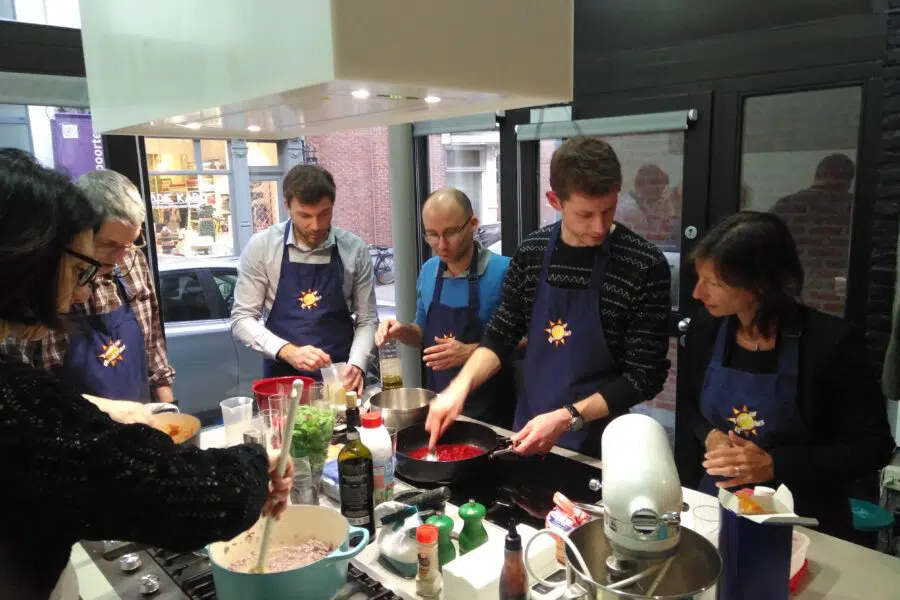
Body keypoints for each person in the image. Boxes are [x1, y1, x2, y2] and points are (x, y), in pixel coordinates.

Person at [0, 149, 292, 600]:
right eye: (77, 269)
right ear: (26, 261)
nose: (81, 292)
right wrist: (256, 464)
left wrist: (125, 408)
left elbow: (149, 338)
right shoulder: (21, 407)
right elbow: (191, 498)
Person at [426, 137, 672, 458]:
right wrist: (458, 388)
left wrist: (568, 417)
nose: (599, 227)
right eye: (585, 214)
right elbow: (502, 335)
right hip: (527, 433)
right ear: (555, 200)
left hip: (600, 445)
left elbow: (645, 376)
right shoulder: (532, 253)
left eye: (608, 210)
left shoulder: (643, 265)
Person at [674, 211, 894, 541]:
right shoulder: (708, 328)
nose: (697, 293)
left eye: (714, 283)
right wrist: (710, 436)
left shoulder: (829, 343)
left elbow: (873, 446)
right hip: (718, 507)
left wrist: (775, 464)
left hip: (806, 519)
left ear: (759, 284)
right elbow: (690, 406)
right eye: (699, 279)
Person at [0, 169, 175, 403]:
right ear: (79, 232)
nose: (120, 258)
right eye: (110, 245)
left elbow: (154, 349)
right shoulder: (42, 281)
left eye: (130, 244)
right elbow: (22, 392)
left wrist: (169, 409)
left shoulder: (133, 262)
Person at [231, 164, 376, 394]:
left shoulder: (354, 249)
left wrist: (357, 364)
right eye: (305, 216)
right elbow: (242, 319)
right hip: (282, 383)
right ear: (287, 206)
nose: (316, 226)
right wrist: (288, 351)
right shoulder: (262, 247)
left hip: (341, 379)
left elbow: (367, 320)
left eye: (324, 214)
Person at [375, 188, 515, 427]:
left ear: (473, 224)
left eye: (450, 233)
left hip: (491, 414)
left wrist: (471, 352)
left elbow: (528, 339)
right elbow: (420, 333)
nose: (441, 244)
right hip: (438, 405)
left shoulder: (504, 271)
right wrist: (401, 331)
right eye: (432, 234)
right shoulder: (429, 270)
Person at [770, 153, 856, 315]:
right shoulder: (855, 208)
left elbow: (763, 248)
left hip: (790, 291)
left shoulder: (786, 206)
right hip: (838, 296)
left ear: (817, 175)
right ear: (849, 180)